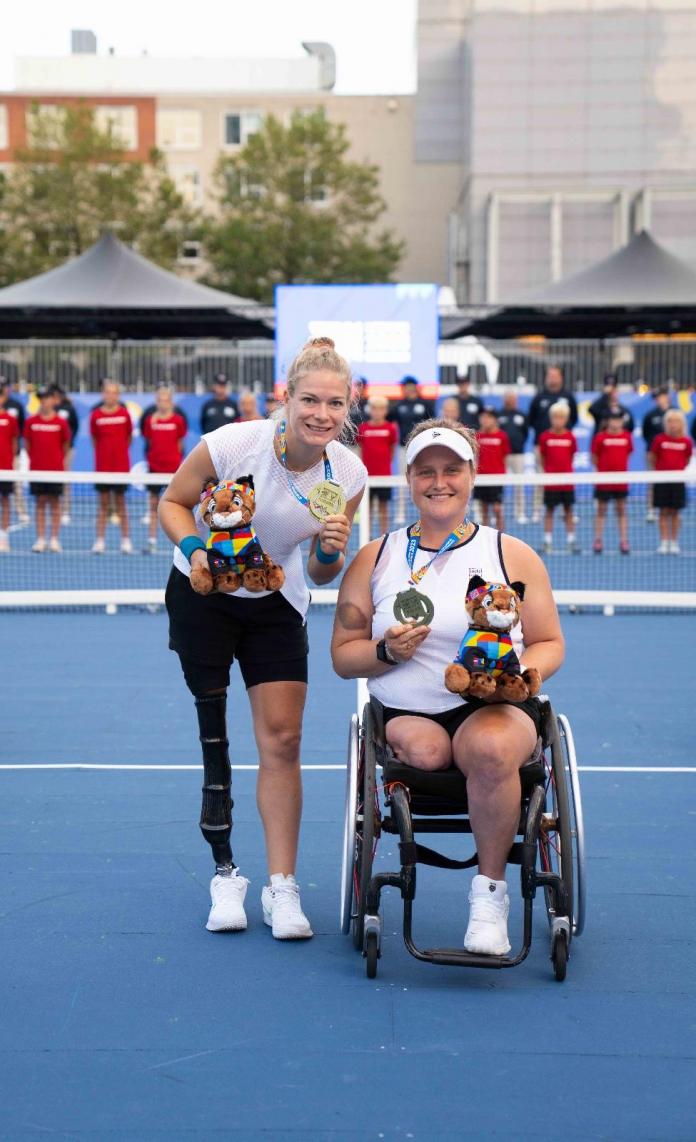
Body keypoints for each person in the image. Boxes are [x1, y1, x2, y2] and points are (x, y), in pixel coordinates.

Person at [331, 419, 564, 956]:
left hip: (493, 706)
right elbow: (344, 657)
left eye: (452, 470)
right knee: (429, 752)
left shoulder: (512, 554)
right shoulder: (375, 557)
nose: (440, 481)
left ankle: (489, 896)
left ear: (472, 475)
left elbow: (549, 641)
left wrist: (519, 677)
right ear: (408, 478)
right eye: (426, 471)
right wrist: (387, 651)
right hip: (410, 710)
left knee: (486, 748)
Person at [159, 336, 366, 939]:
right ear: (287, 396)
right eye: (309, 400)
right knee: (215, 734)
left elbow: (325, 571)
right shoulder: (233, 443)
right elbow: (174, 502)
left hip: (276, 597)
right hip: (203, 597)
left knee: (284, 738)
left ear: (347, 407)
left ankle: (282, 888)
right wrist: (201, 554)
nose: (321, 414)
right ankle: (226, 874)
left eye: (334, 403)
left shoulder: (347, 473)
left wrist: (330, 551)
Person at [528, 366, 578, 522]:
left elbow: (574, 418)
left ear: (561, 378)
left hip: (563, 446)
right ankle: (537, 511)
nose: (553, 378)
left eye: (555, 375)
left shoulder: (568, 396)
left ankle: (567, 510)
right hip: (542, 446)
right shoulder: (539, 397)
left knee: (565, 478)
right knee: (540, 478)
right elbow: (532, 419)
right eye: (550, 375)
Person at [141, 386, 188, 552]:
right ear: (156, 402)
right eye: (160, 400)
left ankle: (179, 544)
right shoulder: (150, 421)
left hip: (173, 471)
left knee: (177, 508)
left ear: (171, 402)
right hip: (154, 469)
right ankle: (152, 541)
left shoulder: (178, 421)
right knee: (154, 506)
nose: (163, 403)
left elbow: (180, 444)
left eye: (166, 400)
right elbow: (150, 443)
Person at [24, 386, 71, 552]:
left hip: (55, 471)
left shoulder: (61, 422)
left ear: (54, 400)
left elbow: (65, 445)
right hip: (37, 470)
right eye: (41, 398)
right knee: (40, 503)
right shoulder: (31, 422)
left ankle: (54, 539)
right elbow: (28, 445)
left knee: (55, 504)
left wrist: (56, 461)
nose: (44, 401)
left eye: (47, 397)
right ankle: (41, 539)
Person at [90, 380, 134, 555]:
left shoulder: (124, 414)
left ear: (118, 395)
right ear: (103, 394)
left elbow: (128, 438)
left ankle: (125, 541)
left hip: (121, 468)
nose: (110, 396)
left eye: (114, 392)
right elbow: (95, 440)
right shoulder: (96, 416)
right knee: (103, 505)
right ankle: (99, 541)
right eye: (107, 392)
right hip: (102, 468)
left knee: (121, 505)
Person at [390, 376, 435, 523]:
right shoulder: (399, 405)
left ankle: (425, 509)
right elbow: (388, 419)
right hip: (404, 448)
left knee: (424, 476)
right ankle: (400, 512)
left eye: (409, 386)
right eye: (405, 387)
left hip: (422, 447)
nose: (407, 389)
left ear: (415, 387)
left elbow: (433, 423)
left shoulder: (425, 404)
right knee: (402, 478)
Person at [650, 409, 693, 555]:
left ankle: (674, 542)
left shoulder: (686, 441)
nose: (673, 425)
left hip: (678, 481)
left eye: (676, 421)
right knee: (663, 511)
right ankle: (664, 541)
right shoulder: (659, 440)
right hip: (662, 480)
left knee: (675, 512)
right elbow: (652, 458)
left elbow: (687, 459)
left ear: (681, 424)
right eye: (670, 421)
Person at [591, 410, 634, 555]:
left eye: (618, 420)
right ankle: (597, 540)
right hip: (603, 481)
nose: (616, 422)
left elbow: (629, 453)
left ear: (622, 422)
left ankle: (624, 541)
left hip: (621, 481)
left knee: (621, 510)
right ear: (608, 421)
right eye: (613, 419)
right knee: (601, 510)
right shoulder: (600, 437)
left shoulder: (627, 437)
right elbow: (594, 457)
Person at [357, 393, 399, 536]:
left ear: (385, 411)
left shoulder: (390, 429)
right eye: (374, 408)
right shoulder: (363, 428)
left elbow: (392, 450)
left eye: (381, 409)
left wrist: (385, 465)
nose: (377, 412)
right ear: (370, 410)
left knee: (383, 507)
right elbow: (361, 449)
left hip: (384, 475)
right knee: (367, 507)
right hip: (367, 476)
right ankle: (366, 534)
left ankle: (383, 534)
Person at [538, 402, 578, 553]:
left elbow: (571, 456)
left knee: (569, 511)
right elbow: (543, 457)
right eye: (555, 417)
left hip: (567, 482)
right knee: (549, 511)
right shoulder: (545, 437)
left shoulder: (571, 437)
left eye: (561, 417)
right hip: (551, 483)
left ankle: (571, 541)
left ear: (566, 419)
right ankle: (547, 541)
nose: (558, 420)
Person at [474, 407, 509, 530]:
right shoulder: (477, 436)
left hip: (497, 479)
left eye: (488, 417)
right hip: (482, 478)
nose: (485, 420)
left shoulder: (502, 436)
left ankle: (501, 536)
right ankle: (485, 540)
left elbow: (505, 456)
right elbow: (476, 456)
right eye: (483, 417)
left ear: (495, 420)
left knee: (497, 509)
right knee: (484, 510)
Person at [497, 391, 529, 523]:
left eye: (512, 398)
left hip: (518, 453)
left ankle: (520, 512)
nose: (510, 400)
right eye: (508, 398)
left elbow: (525, 433)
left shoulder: (522, 415)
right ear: (504, 399)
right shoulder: (499, 415)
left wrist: (518, 444)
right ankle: (499, 512)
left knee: (519, 484)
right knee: (498, 485)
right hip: (502, 455)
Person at [50, 384, 80, 525]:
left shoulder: (68, 408)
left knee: (65, 481)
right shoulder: (46, 409)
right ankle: (53, 511)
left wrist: (67, 446)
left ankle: (65, 510)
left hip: (66, 451)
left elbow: (75, 427)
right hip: (50, 452)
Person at [1, 377, 29, 524]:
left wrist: (15, 451)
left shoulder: (16, 406)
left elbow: (21, 429)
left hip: (11, 456)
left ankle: (21, 511)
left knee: (16, 486)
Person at [642, 388, 672, 522]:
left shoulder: (675, 413)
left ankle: (672, 508)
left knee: (672, 482)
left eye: (661, 396)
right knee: (652, 483)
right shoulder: (650, 415)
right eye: (657, 397)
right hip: (653, 455)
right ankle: (651, 510)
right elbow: (645, 433)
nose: (659, 399)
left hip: (671, 455)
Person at [0, 382, 20, 552]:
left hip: (5, 469)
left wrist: (10, 463)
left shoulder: (11, 419)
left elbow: (14, 443)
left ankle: (3, 537)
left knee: (5, 502)